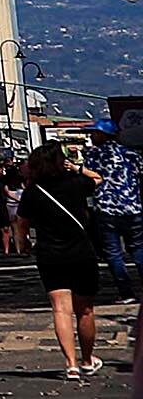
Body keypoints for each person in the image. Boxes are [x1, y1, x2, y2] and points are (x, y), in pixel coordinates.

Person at [22, 142, 103, 376]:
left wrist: (24, 242)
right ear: (60, 162)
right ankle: (87, 359)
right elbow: (97, 179)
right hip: (81, 252)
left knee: (60, 309)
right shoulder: (76, 184)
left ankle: (71, 364)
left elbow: (21, 223)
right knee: (85, 310)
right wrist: (76, 168)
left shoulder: (33, 191)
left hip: (50, 254)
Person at [86, 120, 143, 311]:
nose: (91, 136)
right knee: (138, 249)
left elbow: (88, 180)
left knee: (114, 253)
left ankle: (127, 292)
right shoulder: (132, 154)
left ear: (104, 134)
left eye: (95, 133)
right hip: (133, 208)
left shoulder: (94, 155)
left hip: (107, 209)